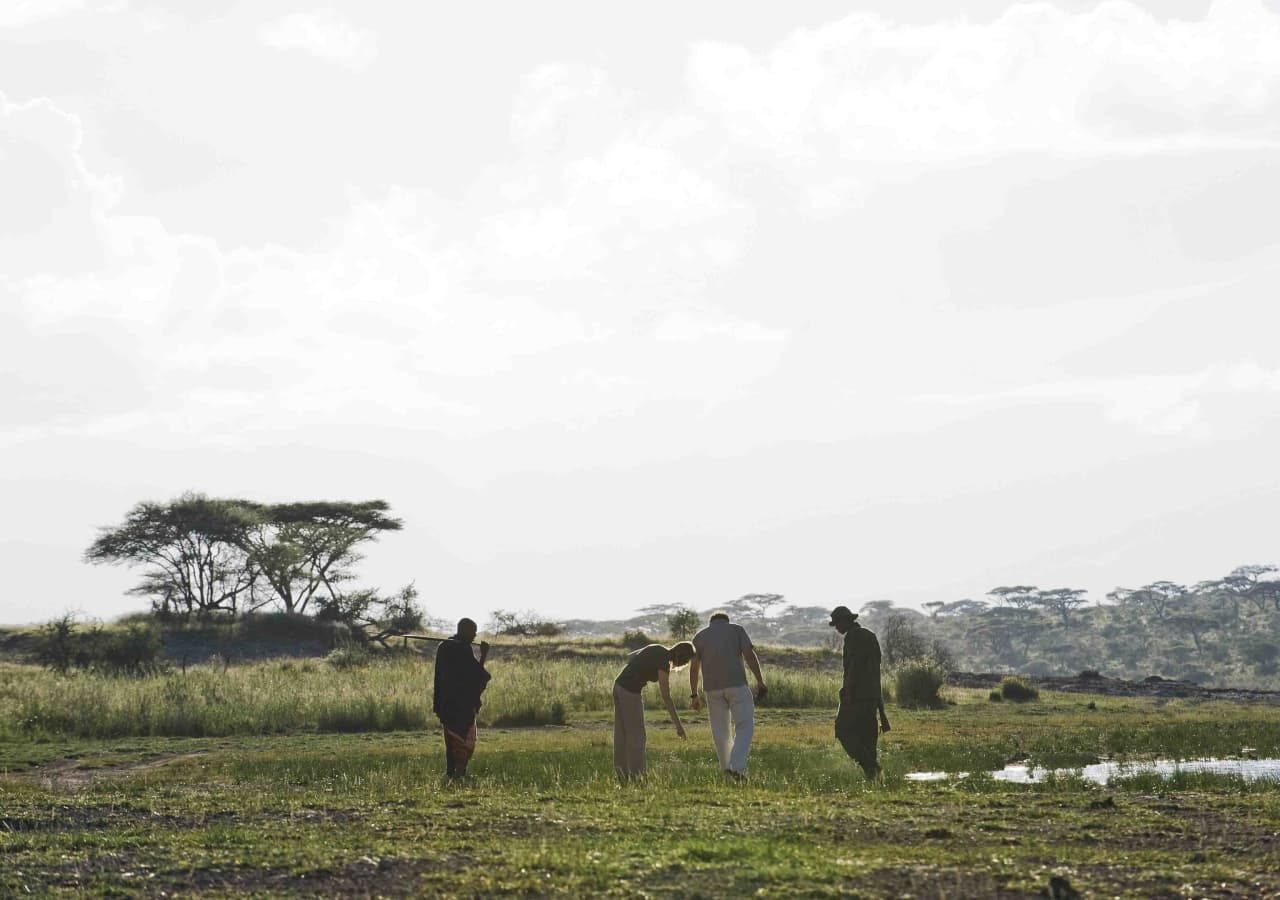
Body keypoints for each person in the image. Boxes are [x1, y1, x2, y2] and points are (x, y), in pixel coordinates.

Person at [688, 612, 768, 779]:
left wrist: (694, 695)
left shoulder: (700, 636)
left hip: (712, 690)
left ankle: (728, 772)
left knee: (720, 732)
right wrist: (760, 681)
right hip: (737, 686)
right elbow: (749, 656)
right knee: (745, 726)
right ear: (726, 620)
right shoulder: (737, 630)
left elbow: (694, 667)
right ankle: (737, 768)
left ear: (711, 622)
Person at [613, 641, 694, 779]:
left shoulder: (657, 648)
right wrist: (679, 726)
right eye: (685, 662)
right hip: (630, 691)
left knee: (621, 733)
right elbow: (666, 696)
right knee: (637, 735)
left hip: (618, 686)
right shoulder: (664, 661)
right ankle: (637, 775)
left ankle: (622, 774)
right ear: (681, 657)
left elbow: (631, 657)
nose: (682, 665)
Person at [829, 606, 889, 778]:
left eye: (837, 623)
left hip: (857, 695)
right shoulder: (870, 635)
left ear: (845, 621)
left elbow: (854, 666)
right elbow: (875, 670)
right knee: (867, 737)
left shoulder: (853, 637)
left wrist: (848, 690)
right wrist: (880, 706)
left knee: (842, 730)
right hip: (872, 695)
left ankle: (871, 767)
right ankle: (874, 778)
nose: (837, 628)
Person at [433, 618, 491, 779]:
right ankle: (458, 773)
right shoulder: (461, 649)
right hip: (462, 703)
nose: (475, 635)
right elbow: (475, 675)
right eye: (473, 631)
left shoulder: (444, 647)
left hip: (446, 702)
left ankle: (452, 773)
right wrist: (484, 655)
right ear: (464, 630)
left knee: (451, 740)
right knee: (463, 738)